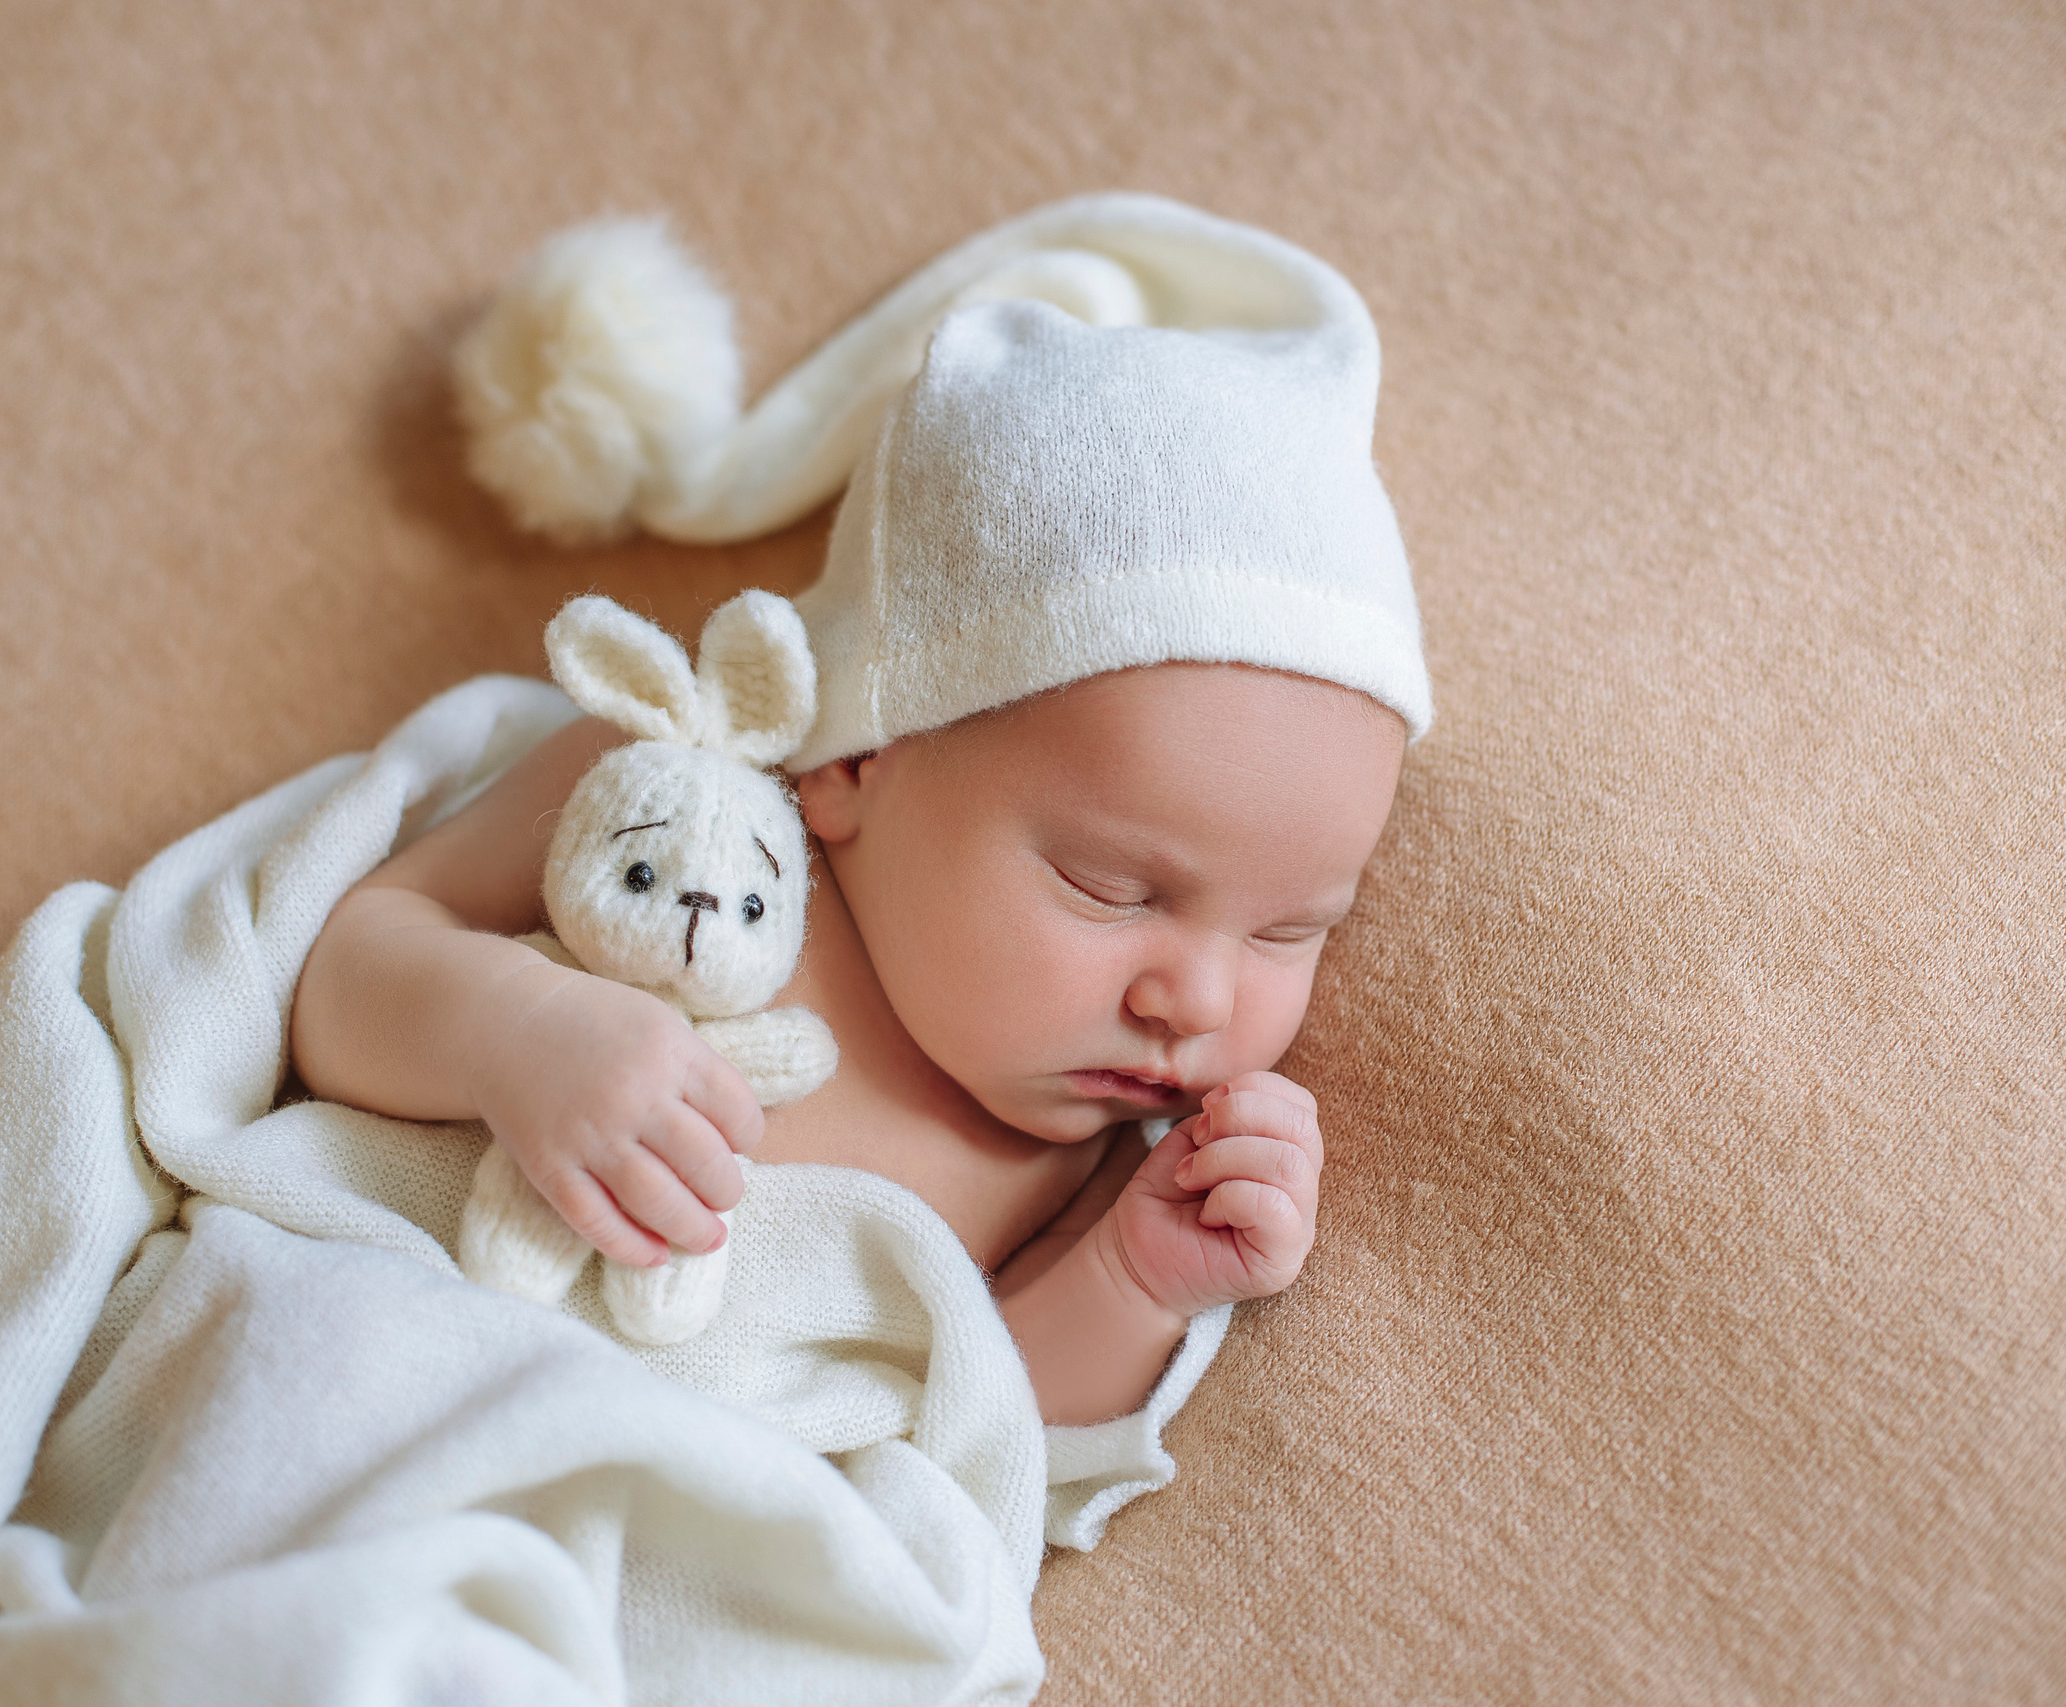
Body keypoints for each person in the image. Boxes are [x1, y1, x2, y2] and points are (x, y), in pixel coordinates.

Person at [289, 197, 1432, 1434]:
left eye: (1289, 931)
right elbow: (346, 974)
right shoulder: (685, 786)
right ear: (859, 757)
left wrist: (1135, 1279)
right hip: (358, 1349)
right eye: (1111, 889)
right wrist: (517, 1032)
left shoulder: (1088, 1164)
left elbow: (978, 1440)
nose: (1197, 1004)